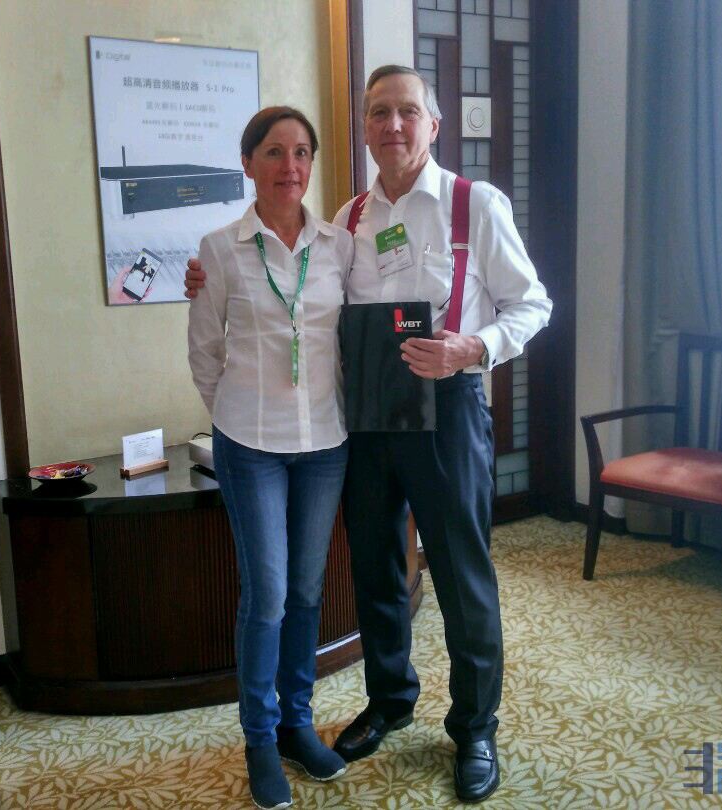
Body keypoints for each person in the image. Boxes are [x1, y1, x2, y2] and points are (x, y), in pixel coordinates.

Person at [186, 66, 552, 803]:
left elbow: (533, 303)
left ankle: (474, 727)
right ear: (364, 127)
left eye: (407, 111)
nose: (393, 125)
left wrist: (473, 346)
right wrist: (206, 277)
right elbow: (297, 298)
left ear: (432, 125)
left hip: (446, 408)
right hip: (365, 416)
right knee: (378, 566)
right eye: (379, 112)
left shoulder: (474, 204)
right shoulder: (348, 218)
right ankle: (390, 699)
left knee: (460, 572)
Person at [188, 106, 353, 810]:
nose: (291, 166)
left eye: (303, 152)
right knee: (270, 595)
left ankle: (295, 725)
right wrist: (236, 408)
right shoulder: (220, 248)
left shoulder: (339, 244)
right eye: (275, 152)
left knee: (309, 593)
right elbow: (204, 352)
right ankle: (259, 737)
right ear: (249, 163)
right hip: (251, 445)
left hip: (325, 444)